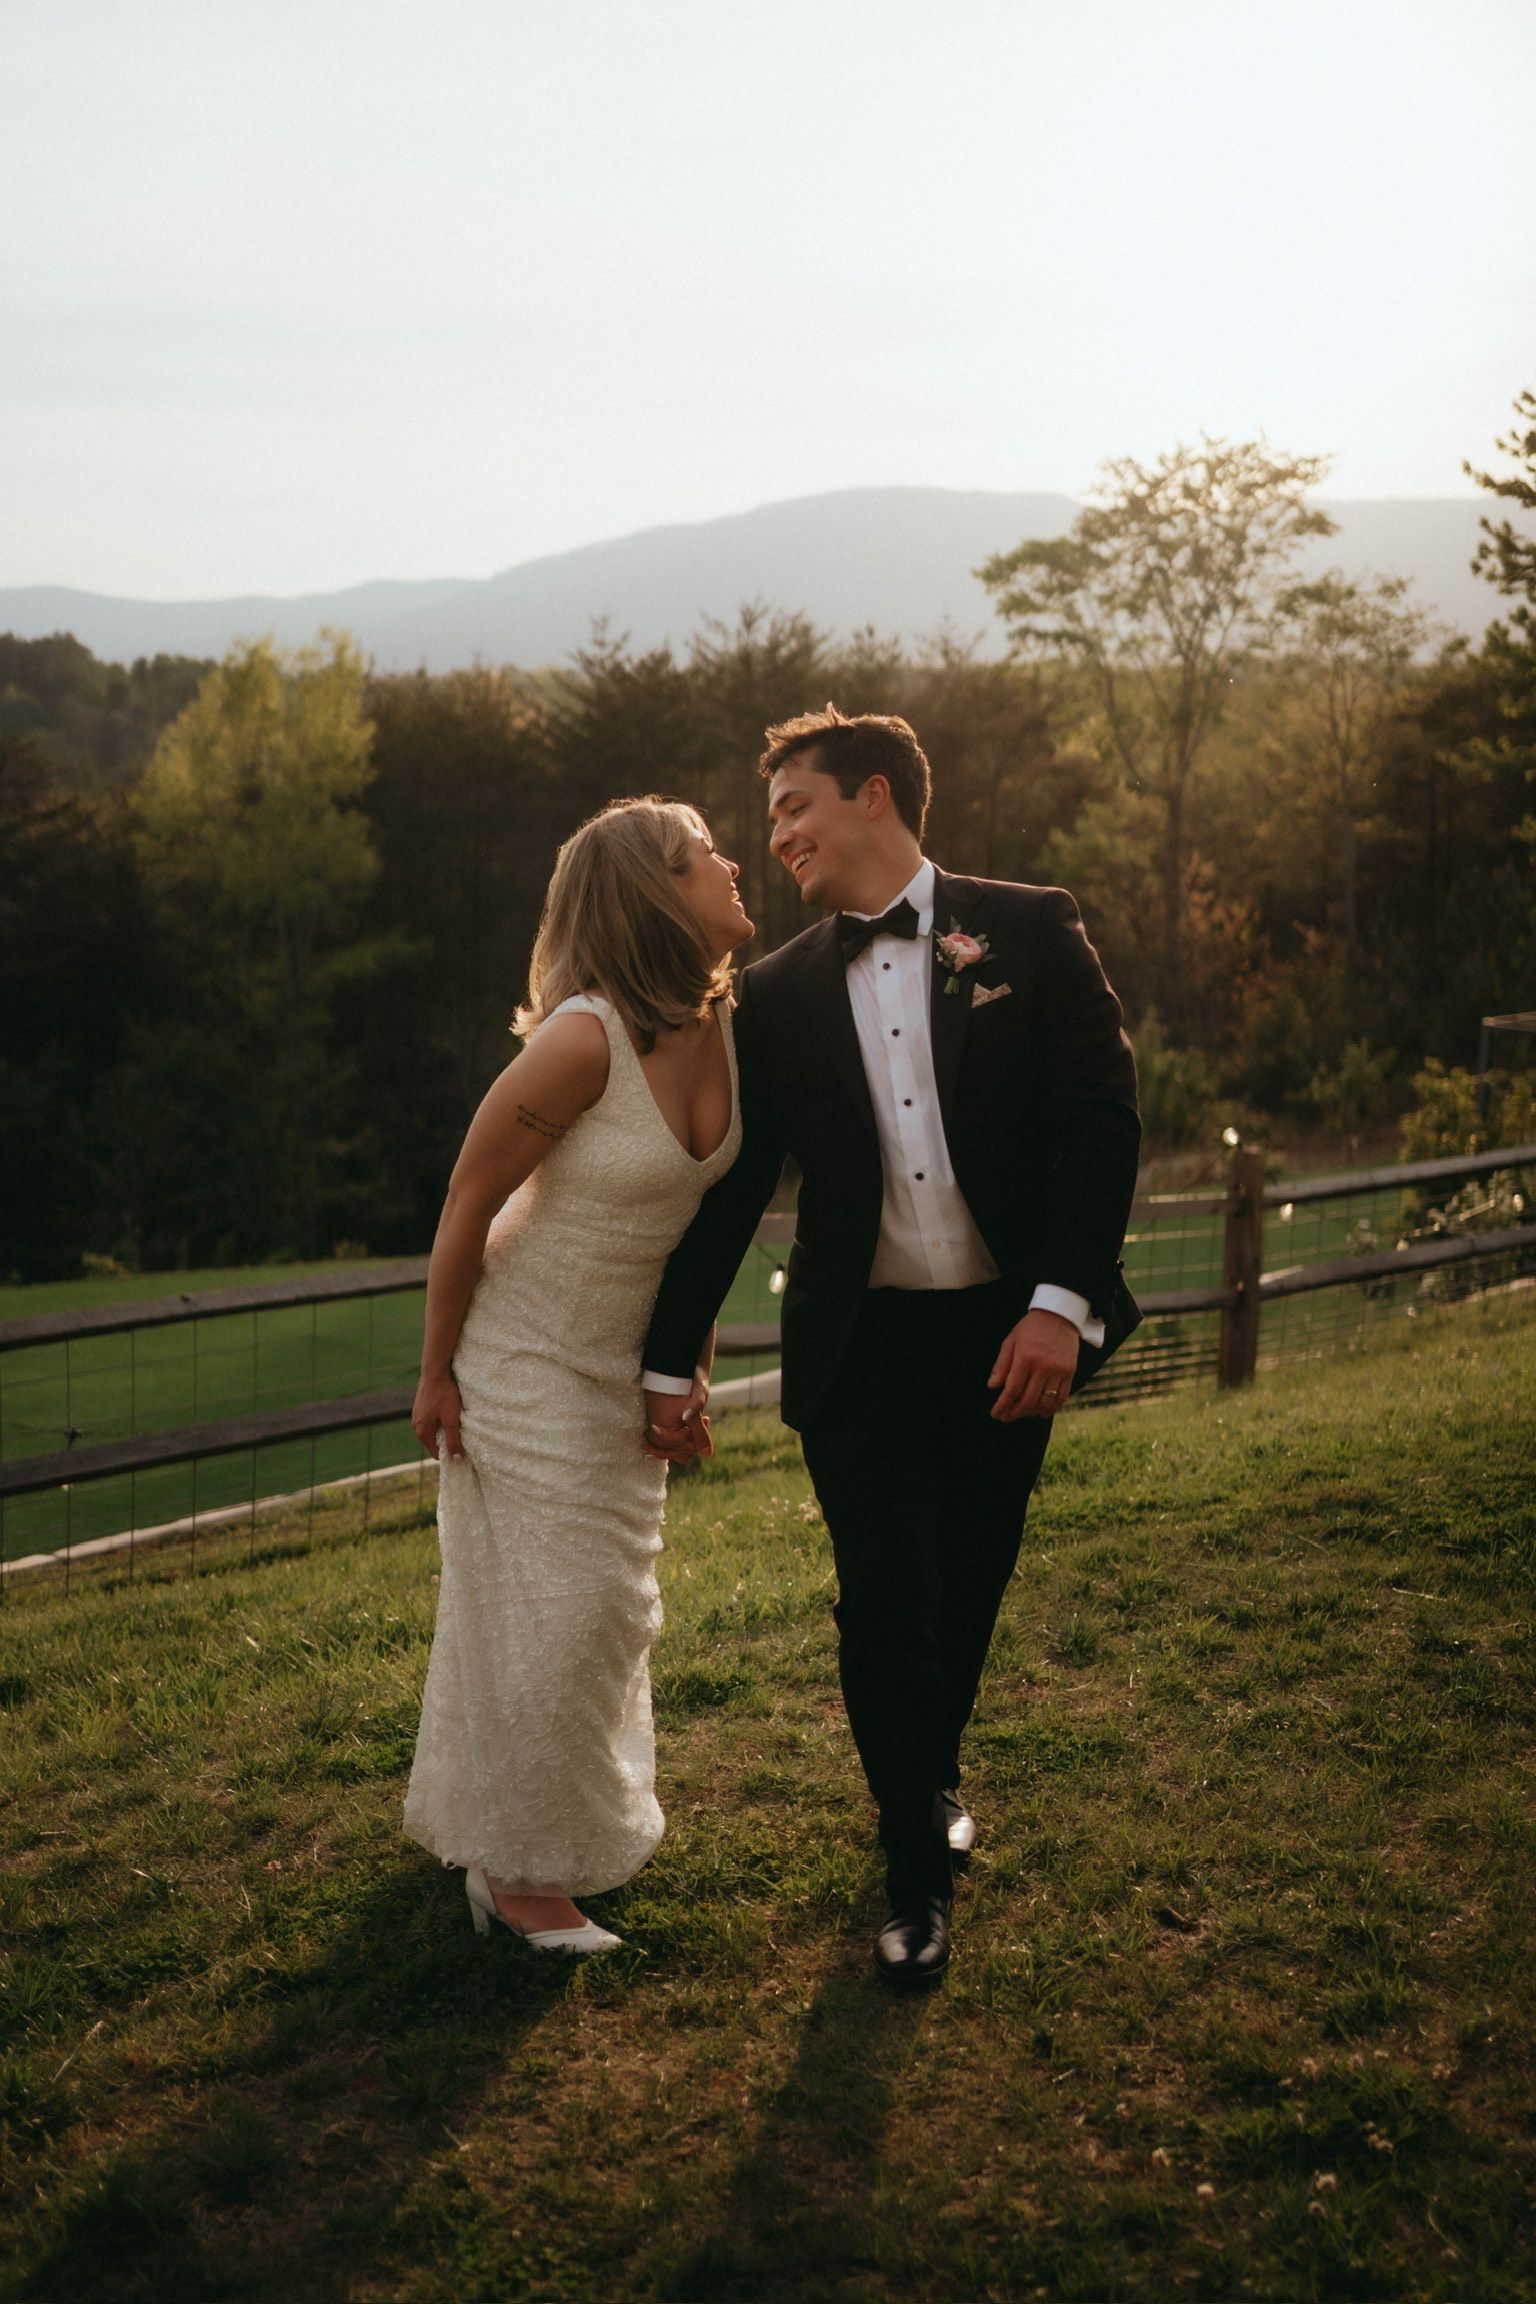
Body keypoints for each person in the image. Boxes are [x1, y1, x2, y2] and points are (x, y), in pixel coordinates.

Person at [642, 709, 1140, 1987]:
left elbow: (1101, 1121)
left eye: (796, 809)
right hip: (858, 1349)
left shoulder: (1027, 925)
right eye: (769, 824)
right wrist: (665, 1353)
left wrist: (1059, 1302)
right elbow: (735, 1189)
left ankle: (927, 1781)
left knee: (967, 1584)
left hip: (1006, 1332)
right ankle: (912, 1871)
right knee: (883, 1601)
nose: (781, 838)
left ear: (874, 795)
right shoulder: (778, 992)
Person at [405, 797, 752, 1953]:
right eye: (706, 858)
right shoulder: (582, 1039)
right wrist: (436, 1371)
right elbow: (467, 1196)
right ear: (655, 895)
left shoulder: (731, 1023)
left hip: (619, 1367)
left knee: (609, 1614)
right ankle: (521, 1878)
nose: (733, 864)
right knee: (563, 1611)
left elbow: (700, 1231)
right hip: (521, 1356)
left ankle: (519, 1826)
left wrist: (685, 1372)